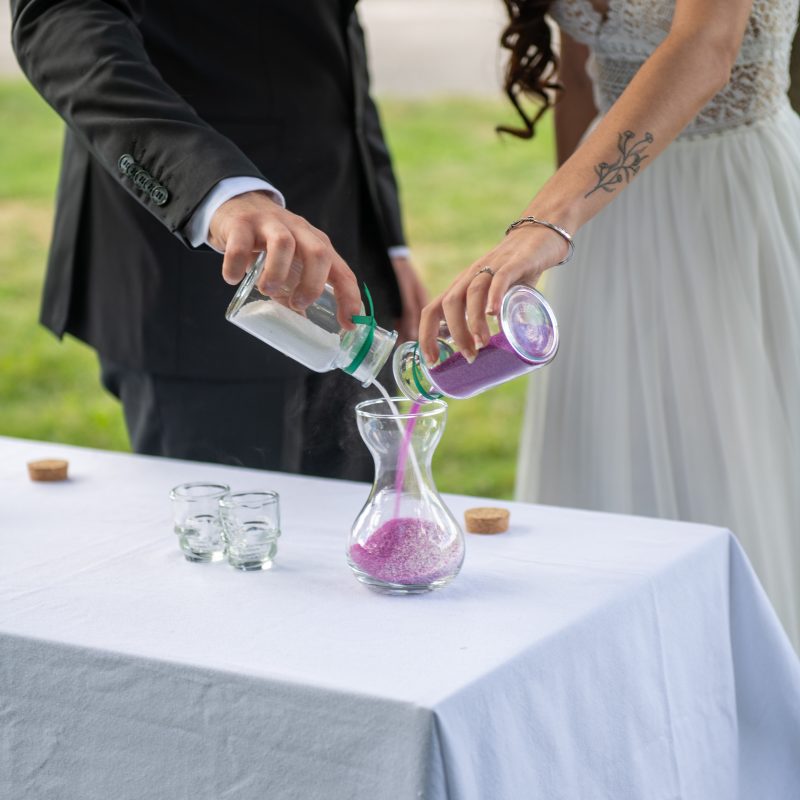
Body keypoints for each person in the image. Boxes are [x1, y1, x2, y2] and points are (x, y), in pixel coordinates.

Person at [419, 0, 800, 650]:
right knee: (610, 451)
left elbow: (705, 47)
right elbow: (580, 67)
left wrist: (548, 222)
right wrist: (561, 244)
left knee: (731, 458)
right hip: (609, 222)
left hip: (732, 206)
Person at [10, 0, 426, 480]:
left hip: (345, 267)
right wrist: (214, 191)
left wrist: (388, 241)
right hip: (200, 280)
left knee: (353, 527)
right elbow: (65, 15)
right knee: (225, 533)